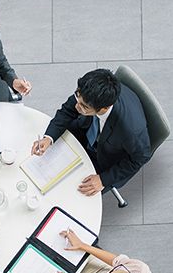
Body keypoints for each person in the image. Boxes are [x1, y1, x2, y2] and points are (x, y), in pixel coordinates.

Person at [31, 68, 151, 196]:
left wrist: (103, 179)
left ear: (104, 108)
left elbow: (140, 158)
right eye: (77, 97)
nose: (77, 106)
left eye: (84, 107)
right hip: (85, 131)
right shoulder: (88, 93)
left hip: (105, 160)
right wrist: (49, 138)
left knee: (68, 194)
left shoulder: (131, 130)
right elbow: (67, 110)